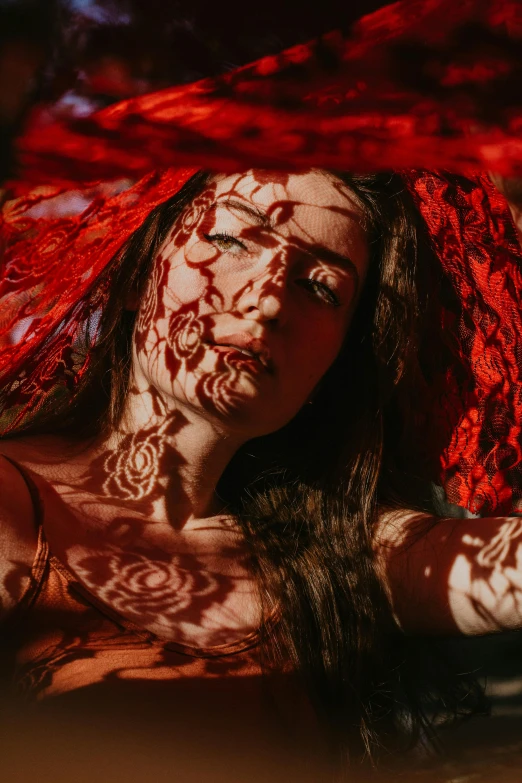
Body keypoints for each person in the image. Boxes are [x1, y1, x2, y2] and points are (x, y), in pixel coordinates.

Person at [0, 167, 442, 780]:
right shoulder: (11, 508)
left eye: (321, 288)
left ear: (337, 364)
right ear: (137, 273)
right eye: (231, 240)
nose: (267, 300)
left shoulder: (335, 556)